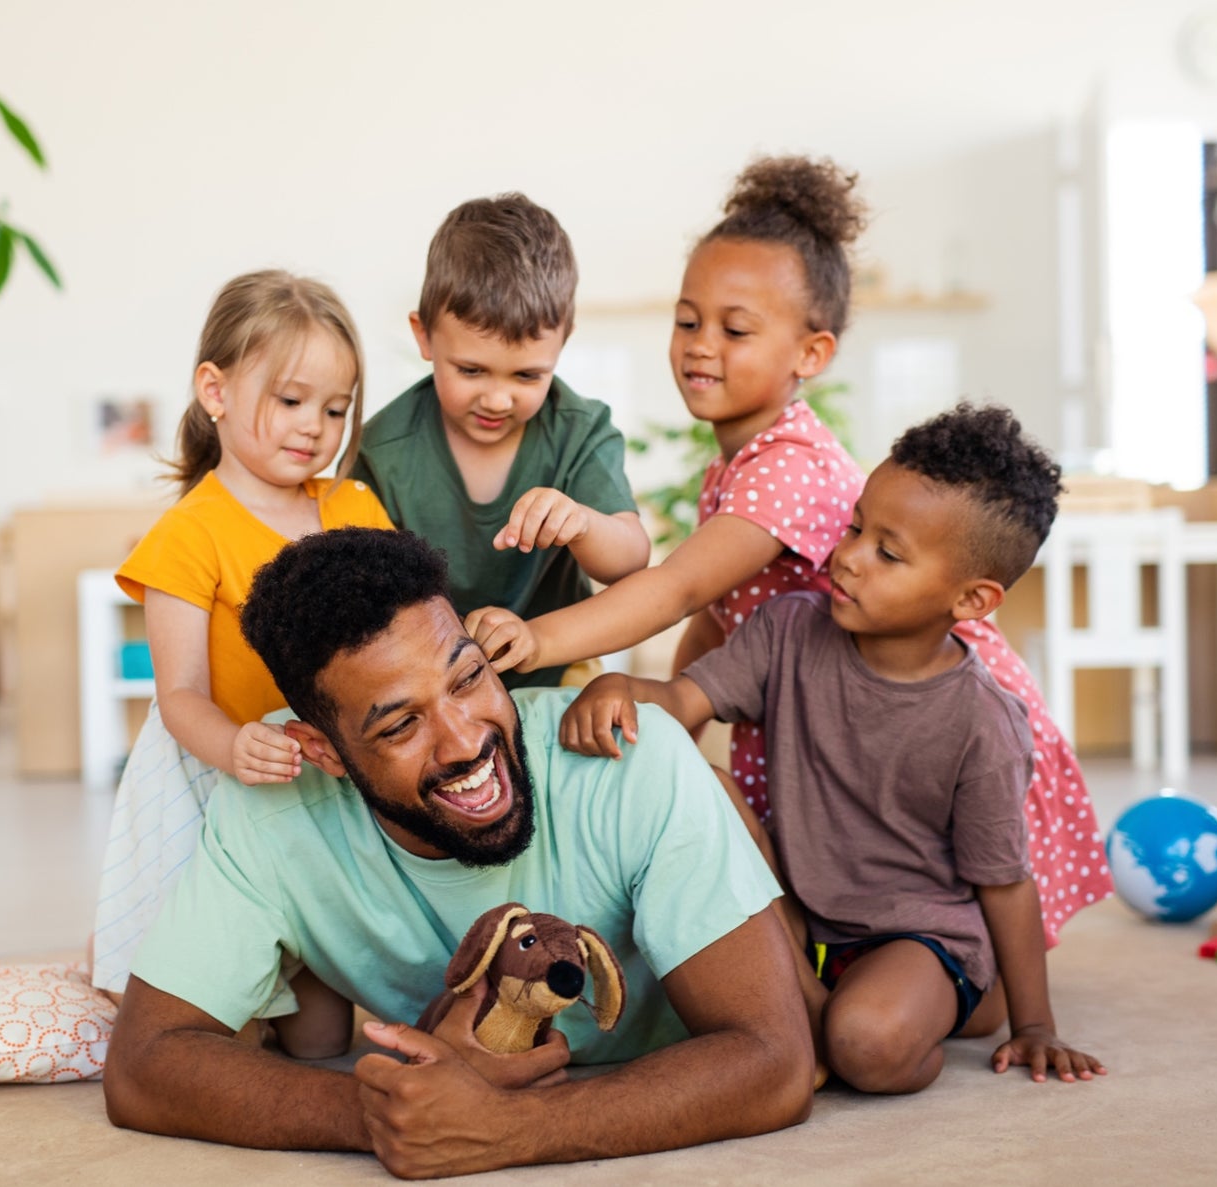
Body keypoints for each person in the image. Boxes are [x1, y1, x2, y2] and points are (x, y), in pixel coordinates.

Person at [465, 155, 1112, 942]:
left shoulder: (788, 468)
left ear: (811, 354)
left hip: (917, 714)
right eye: (687, 320)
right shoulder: (740, 462)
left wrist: (538, 638)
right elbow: (713, 619)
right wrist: (672, 732)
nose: (701, 345)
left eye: (735, 329)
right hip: (832, 705)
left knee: (950, 912)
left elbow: (675, 589)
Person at [102, 528, 813, 1179]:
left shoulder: (631, 757)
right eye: (401, 724)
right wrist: (384, 1111)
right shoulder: (273, 809)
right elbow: (143, 1063)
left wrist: (510, 1127)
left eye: (468, 678)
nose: (465, 741)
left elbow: (775, 1060)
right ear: (323, 750)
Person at [562, 404, 1107, 1093]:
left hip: (917, 934)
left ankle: (954, 999)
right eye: (855, 526)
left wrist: (1035, 1024)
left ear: (972, 599)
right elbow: (682, 700)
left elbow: (1003, 881)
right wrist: (619, 687)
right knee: (710, 788)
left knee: (867, 1045)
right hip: (801, 914)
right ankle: (820, 1003)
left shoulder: (985, 722)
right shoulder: (788, 629)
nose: (846, 557)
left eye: (888, 553)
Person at [91, 272, 394, 1007]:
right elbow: (180, 696)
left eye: (335, 408)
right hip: (220, 777)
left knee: (320, 1034)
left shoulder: (354, 506)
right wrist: (234, 746)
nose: (314, 426)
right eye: (290, 401)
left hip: (327, 782)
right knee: (216, 1012)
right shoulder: (189, 533)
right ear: (215, 391)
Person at [352, 193, 650, 689]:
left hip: (557, 673)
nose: (496, 399)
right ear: (424, 336)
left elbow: (630, 559)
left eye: (527, 376)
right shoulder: (382, 451)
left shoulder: (578, 430)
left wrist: (582, 524)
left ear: (563, 341)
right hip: (429, 683)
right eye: (471, 370)